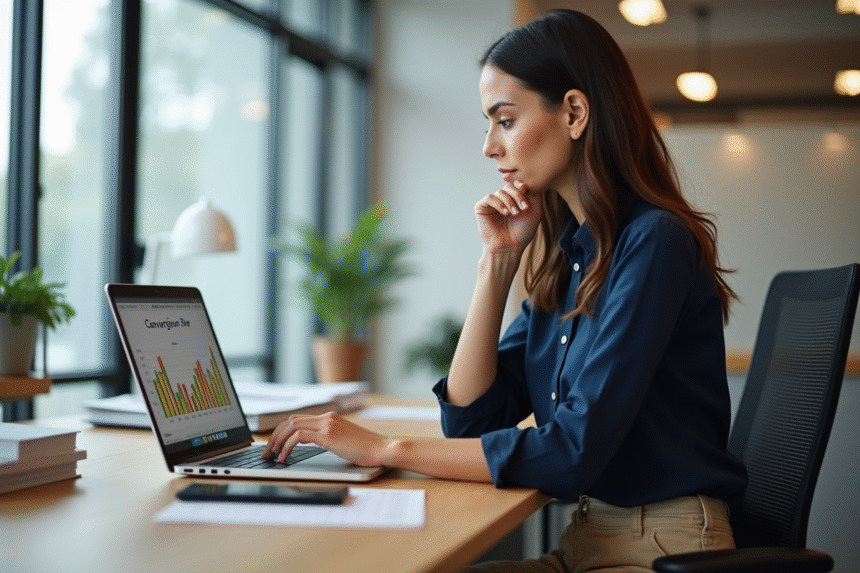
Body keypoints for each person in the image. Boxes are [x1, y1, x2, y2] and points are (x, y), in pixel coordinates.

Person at [263, 9, 747, 571]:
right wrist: (496, 264)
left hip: (665, 547)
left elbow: (573, 451)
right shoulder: (568, 259)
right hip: (591, 540)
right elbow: (471, 421)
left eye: (506, 120)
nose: (490, 147)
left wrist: (384, 449)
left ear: (574, 112)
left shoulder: (654, 242)